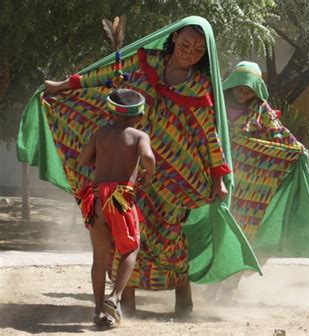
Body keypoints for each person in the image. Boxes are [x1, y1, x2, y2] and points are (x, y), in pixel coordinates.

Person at [17, 16, 261, 317]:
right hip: (131, 179)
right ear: (172, 40)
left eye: (198, 50)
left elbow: (208, 135)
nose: (189, 52)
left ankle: (181, 303)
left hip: (175, 176)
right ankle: (124, 303)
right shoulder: (146, 62)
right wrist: (66, 85)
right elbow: (105, 75)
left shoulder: (200, 86)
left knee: (169, 236)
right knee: (127, 240)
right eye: (184, 44)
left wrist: (217, 177)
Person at [205, 61, 309, 302]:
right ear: (232, 82)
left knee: (245, 235)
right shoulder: (214, 103)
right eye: (241, 85)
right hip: (215, 180)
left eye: (250, 87)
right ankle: (211, 283)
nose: (244, 91)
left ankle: (229, 287)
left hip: (252, 189)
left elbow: (284, 140)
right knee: (216, 234)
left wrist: (304, 168)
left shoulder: (262, 110)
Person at [76, 88, 155, 326]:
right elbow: (149, 158)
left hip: (96, 197)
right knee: (131, 248)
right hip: (119, 196)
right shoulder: (139, 136)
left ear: (111, 112)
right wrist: (148, 173)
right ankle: (116, 297)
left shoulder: (100, 133)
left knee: (99, 259)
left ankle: (98, 310)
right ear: (139, 116)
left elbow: (81, 160)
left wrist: (100, 161)